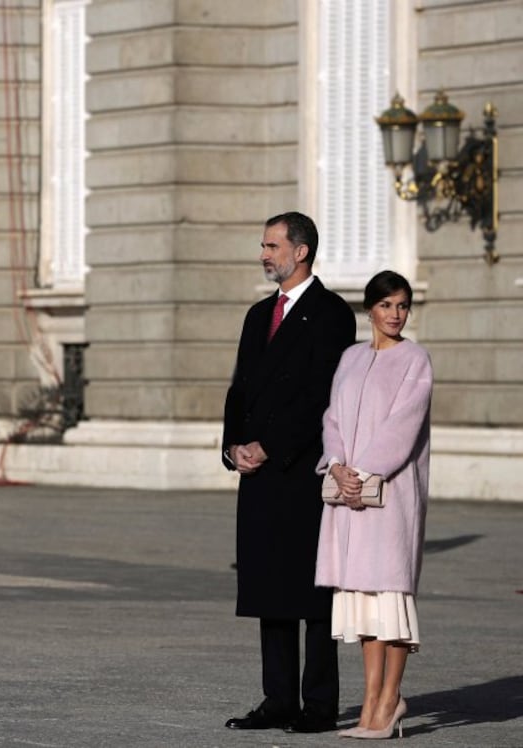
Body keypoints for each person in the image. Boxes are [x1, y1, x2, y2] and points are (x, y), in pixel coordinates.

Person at [222, 211, 356, 734]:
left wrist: (269, 445)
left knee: (312, 593)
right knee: (267, 591)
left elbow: (323, 396)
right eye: (262, 245)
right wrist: (233, 446)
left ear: (300, 251)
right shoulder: (259, 315)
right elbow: (239, 390)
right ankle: (277, 699)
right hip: (257, 474)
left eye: (272, 245)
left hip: (301, 471)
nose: (264, 254)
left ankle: (318, 704)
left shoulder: (331, 314)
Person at [315, 270, 432, 740]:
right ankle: (371, 703)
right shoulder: (349, 358)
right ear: (370, 310)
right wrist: (337, 464)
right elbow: (332, 417)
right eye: (386, 306)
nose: (396, 315)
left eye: (403, 306)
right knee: (363, 601)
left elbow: (402, 428)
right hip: (349, 495)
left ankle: (390, 700)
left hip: (392, 496)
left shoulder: (416, 360)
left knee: (391, 597)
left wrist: (361, 473)